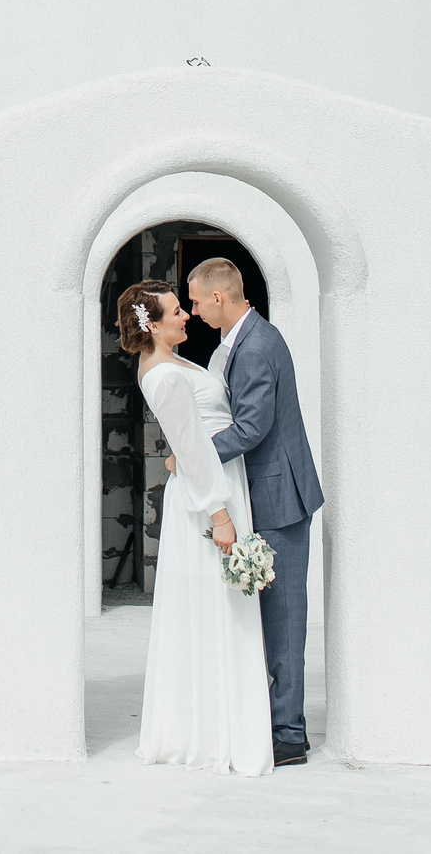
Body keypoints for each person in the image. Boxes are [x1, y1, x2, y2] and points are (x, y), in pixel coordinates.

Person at [121, 280, 272, 776]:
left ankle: (224, 721)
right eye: (176, 311)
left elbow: (188, 440)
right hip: (208, 497)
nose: (186, 315)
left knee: (222, 607)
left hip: (215, 481)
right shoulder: (163, 374)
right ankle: (210, 732)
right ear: (152, 325)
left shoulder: (173, 363)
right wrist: (220, 515)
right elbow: (191, 445)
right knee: (215, 606)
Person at [188, 255, 324, 765]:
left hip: (280, 496)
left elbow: (251, 427)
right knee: (268, 615)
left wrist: (194, 456)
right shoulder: (242, 340)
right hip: (264, 492)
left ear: (218, 296)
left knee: (284, 618)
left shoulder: (257, 346)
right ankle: (276, 720)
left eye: (197, 302)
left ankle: (289, 733)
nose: (195, 312)